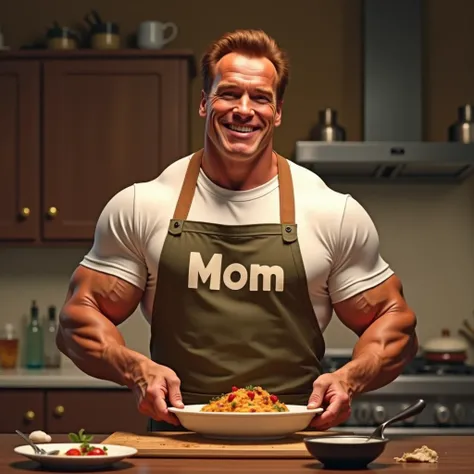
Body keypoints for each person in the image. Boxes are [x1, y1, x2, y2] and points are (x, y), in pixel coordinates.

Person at [56, 29, 418, 432]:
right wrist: (134, 368)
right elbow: (77, 319)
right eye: (228, 93)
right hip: (180, 443)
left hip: (295, 443)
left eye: (260, 97)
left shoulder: (332, 211)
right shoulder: (143, 205)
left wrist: (349, 378)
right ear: (204, 102)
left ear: (278, 111)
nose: (243, 109)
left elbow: (395, 321)